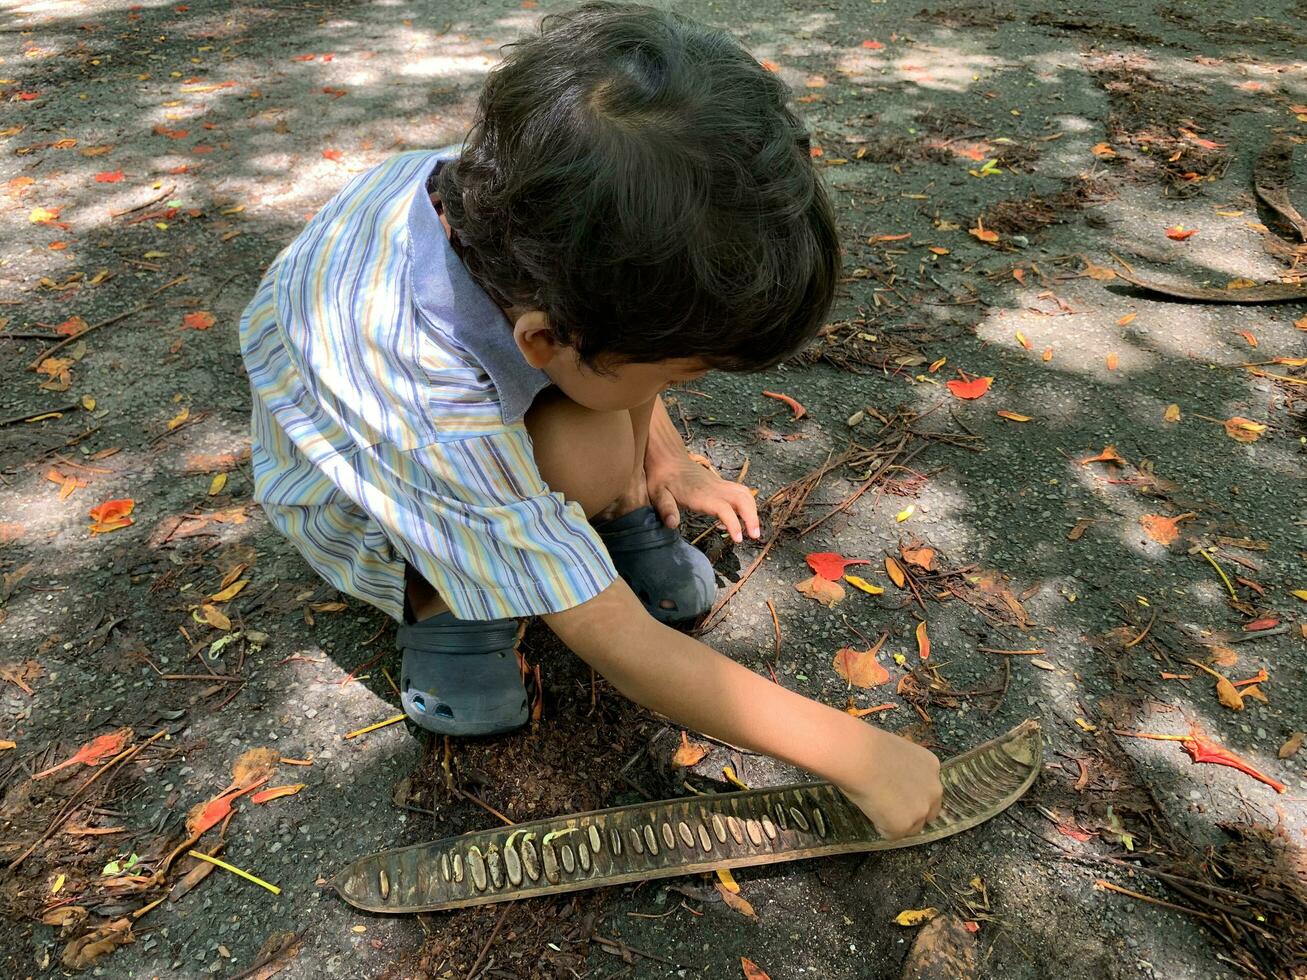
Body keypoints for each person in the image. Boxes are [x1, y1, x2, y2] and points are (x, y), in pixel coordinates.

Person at [239, 2, 942, 839]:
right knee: (563, 498)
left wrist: (666, 454)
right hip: (370, 509)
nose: (691, 381)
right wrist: (852, 752)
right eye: (686, 370)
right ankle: (450, 609)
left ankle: (599, 512)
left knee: (601, 422)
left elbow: (606, 365)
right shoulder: (426, 397)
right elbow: (609, 632)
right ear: (542, 338)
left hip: (497, 407)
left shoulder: (517, 205)